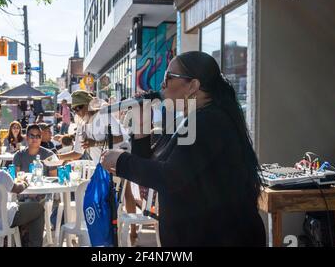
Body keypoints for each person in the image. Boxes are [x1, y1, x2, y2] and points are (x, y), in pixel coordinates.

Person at [101, 51, 266, 247]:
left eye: (168, 77)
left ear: (193, 86)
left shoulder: (209, 120)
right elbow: (153, 166)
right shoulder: (191, 120)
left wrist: (120, 161)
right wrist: (141, 126)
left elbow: (171, 177)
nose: (162, 85)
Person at [57, 90, 129, 164]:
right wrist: (57, 157)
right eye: (74, 109)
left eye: (79, 107)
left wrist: (96, 143)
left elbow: (121, 137)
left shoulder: (103, 115)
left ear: (88, 105)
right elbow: (78, 153)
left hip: (120, 162)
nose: (77, 112)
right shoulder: (81, 125)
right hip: (103, 167)